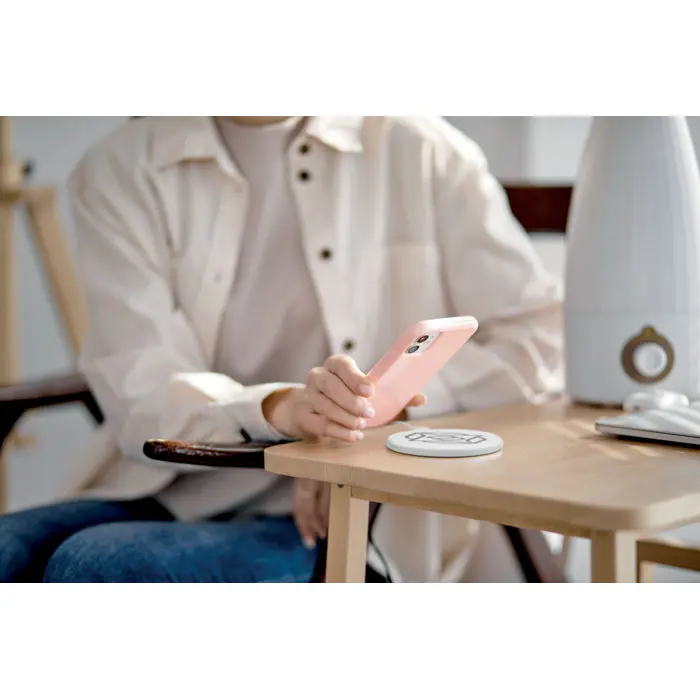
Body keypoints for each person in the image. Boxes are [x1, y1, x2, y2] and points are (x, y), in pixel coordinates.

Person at [0, 116, 563, 583]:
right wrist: (282, 409)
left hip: (348, 508)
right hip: (171, 480)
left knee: (97, 567)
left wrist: (368, 420)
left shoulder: (422, 150)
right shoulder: (120, 169)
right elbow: (141, 384)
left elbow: (538, 339)